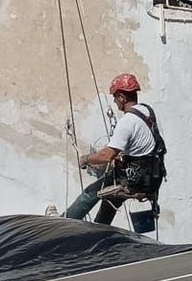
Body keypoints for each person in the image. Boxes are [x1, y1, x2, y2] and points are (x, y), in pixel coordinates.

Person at [64, 74, 167, 234]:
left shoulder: (127, 121)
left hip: (133, 179)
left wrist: (86, 159)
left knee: (89, 194)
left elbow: (106, 156)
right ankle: (98, 234)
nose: (114, 101)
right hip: (152, 178)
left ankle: (64, 223)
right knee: (110, 201)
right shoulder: (148, 112)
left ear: (121, 97)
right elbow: (144, 146)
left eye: (114, 97)